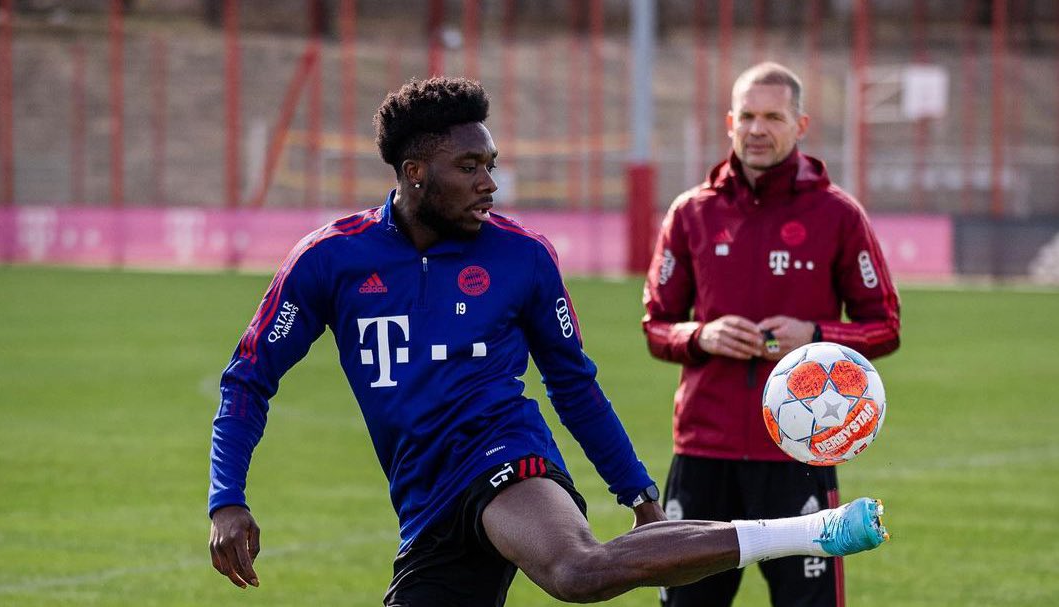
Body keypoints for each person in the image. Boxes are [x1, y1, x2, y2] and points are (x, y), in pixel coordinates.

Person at [208, 76, 889, 607]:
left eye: (491, 163)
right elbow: (248, 377)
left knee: (574, 569)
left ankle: (808, 530)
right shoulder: (329, 260)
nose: (489, 183)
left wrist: (636, 493)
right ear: (415, 171)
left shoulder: (522, 257)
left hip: (503, 454)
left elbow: (572, 381)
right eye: (469, 166)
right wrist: (227, 498)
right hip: (423, 496)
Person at [642, 62, 901, 607]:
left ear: (800, 124)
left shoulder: (838, 215)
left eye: (773, 116)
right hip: (702, 449)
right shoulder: (691, 212)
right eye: (748, 116)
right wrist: (700, 335)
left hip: (799, 451)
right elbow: (656, 326)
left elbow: (884, 326)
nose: (757, 129)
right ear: (731, 122)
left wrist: (815, 333)